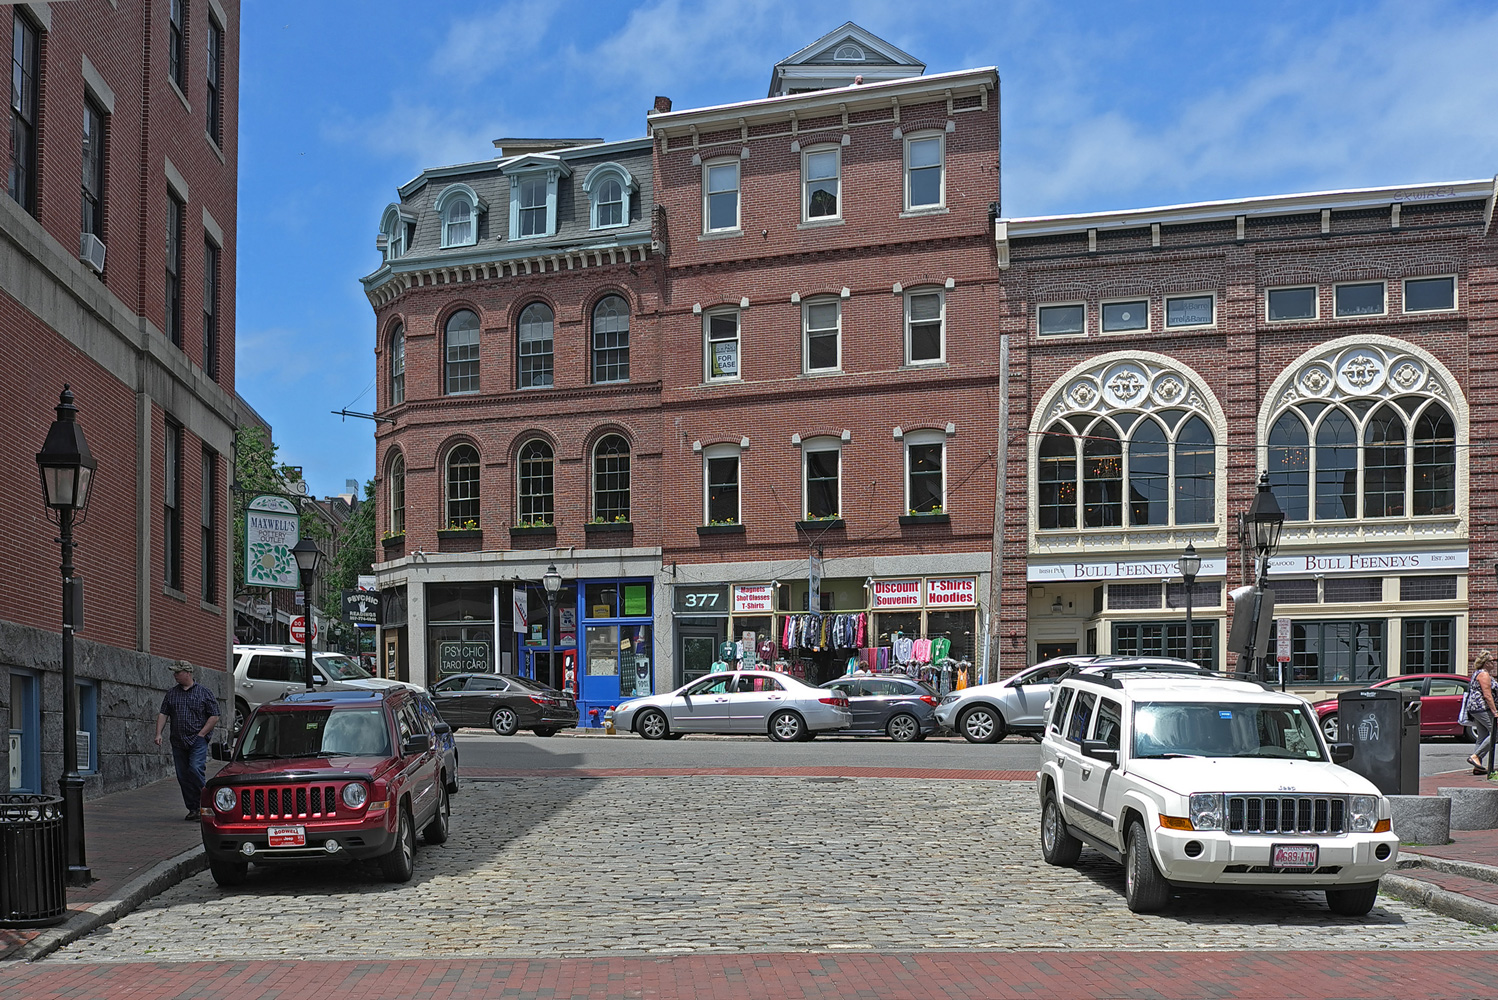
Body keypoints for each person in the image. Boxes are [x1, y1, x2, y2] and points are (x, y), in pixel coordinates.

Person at [154, 662, 221, 820]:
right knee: (183, 775)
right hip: (178, 740)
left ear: (188, 673)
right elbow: (163, 714)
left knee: (195, 768)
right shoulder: (172, 693)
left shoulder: (204, 693)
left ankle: (207, 802)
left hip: (197, 739)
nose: (175, 675)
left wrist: (202, 734)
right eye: (174, 672)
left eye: (178, 672)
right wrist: (158, 733)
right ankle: (193, 808)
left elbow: (214, 716)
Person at [1466, 649, 1497, 775]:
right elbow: (1487, 695)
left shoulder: (1478, 673)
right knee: (1495, 733)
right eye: (1491, 661)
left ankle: (1477, 766)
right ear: (1485, 663)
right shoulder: (1484, 675)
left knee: (1483, 736)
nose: (1494, 663)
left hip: (1475, 708)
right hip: (1482, 708)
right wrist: (1495, 712)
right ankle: (1476, 756)